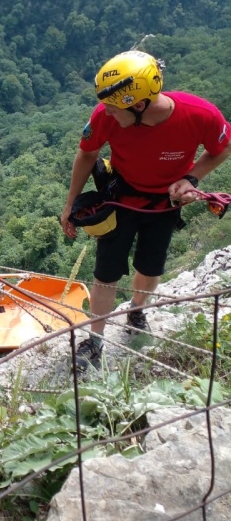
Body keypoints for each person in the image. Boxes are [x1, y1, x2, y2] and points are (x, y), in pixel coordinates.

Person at [60, 49, 231, 371]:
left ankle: (136, 309)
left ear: (138, 105)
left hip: (164, 203)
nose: (105, 113)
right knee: (106, 272)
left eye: (113, 108)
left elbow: (222, 147)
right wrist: (70, 205)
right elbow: (86, 154)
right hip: (121, 196)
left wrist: (191, 177)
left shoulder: (200, 115)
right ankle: (95, 341)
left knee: (151, 268)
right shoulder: (105, 116)